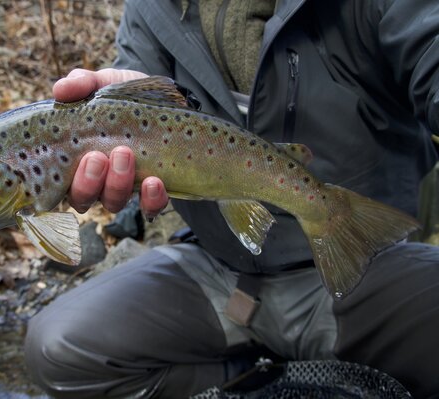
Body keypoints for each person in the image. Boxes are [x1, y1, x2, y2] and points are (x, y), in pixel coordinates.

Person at [24, 0, 439, 397]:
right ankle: (254, 385)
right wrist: (127, 112)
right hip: (219, 268)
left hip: (365, 267)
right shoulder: (151, 6)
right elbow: (140, 86)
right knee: (56, 347)